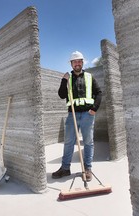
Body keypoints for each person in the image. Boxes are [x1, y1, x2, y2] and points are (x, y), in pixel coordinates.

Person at [52, 51, 102, 182]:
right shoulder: (68, 78)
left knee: (88, 143)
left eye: (79, 61)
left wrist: (94, 109)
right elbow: (62, 95)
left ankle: (87, 169)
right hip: (72, 114)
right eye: (74, 61)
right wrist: (64, 80)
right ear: (71, 64)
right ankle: (65, 168)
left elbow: (99, 93)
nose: (77, 63)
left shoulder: (90, 77)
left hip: (87, 114)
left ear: (82, 62)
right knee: (68, 142)